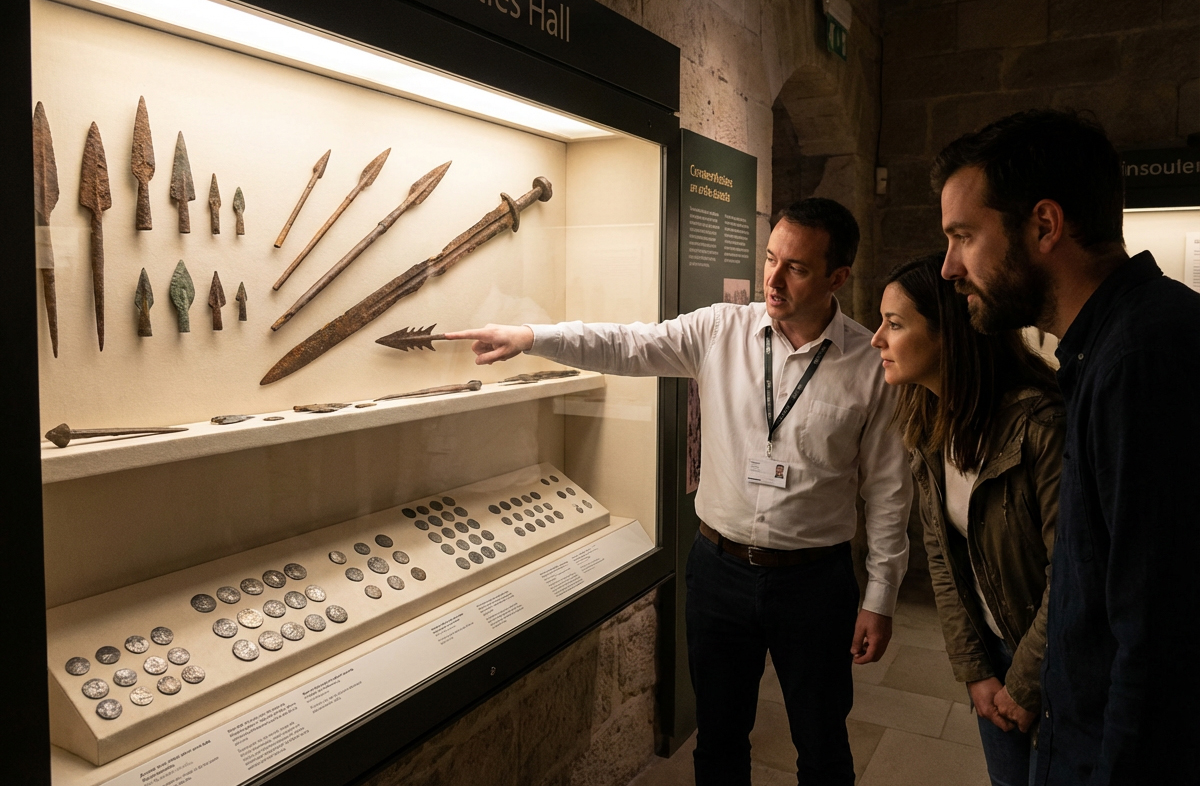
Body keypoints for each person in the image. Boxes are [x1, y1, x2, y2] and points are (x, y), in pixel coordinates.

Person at [447, 198, 912, 786]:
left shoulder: (869, 365)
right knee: (718, 738)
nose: (773, 279)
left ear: (836, 277)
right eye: (770, 257)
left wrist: (880, 596)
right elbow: (626, 344)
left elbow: (889, 489)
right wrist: (531, 335)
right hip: (720, 573)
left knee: (821, 745)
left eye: (795, 268)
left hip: (813, 584)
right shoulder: (722, 329)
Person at [934, 108, 1200, 785]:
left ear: (1045, 226)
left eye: (964, 236)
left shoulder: (1140, 358)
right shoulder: (1112, 348)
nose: (950, 267)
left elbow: (1156, 638)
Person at [871, 253, 1062, 785]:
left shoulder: (1041, 426)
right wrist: (976, 669)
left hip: (1053, 663)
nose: (877, 339)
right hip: (996, 654)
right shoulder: (932, 421)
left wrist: (1024, 684)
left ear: (948, 335)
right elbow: (942, 555)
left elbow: (1072, 576)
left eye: (894, 324)